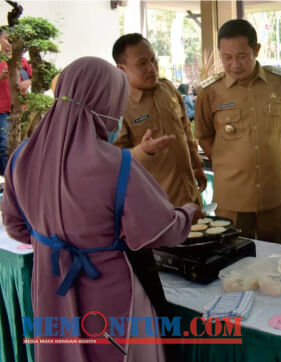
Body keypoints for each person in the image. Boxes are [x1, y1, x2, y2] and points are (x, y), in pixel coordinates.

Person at [1, 57, 198, 361]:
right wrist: (188, 213)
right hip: (111, 298)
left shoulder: (20, 159)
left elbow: (15, 227)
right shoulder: (116, 165)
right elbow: (157, 231)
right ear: (103, 105)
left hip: (50, 291)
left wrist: (53, 243)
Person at [111, 33, 206, 325]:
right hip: (155, 215)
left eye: (153, 59)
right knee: (171, 289)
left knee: (201, 279)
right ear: (122, 69)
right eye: (142, 63)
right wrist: (141, 152)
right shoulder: (118, 106)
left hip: (190, 200)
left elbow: (185, 133)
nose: (152, 67)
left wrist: (196, 166)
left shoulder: (167, 89)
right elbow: (111, 162)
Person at [195, 19, 281, 244]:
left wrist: (269, 152)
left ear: (256, 50)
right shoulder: (209, 92)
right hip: (233, 197)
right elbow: (203, 136)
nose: (234, 64)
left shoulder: (279, 83)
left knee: (274, 258)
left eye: (242, 56)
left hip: (274, 193)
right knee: (234, 260)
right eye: (227, 57)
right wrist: (230, 161)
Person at [0, 27, 32, 175]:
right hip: (3, 110)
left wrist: (28, 82)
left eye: (12, 39)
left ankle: (22, 175)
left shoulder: (22, 61)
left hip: (22, 108)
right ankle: (7, 177)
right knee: (6, 145)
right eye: (6, 39)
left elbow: (33, 77)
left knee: (23, 142)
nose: (9, 43)